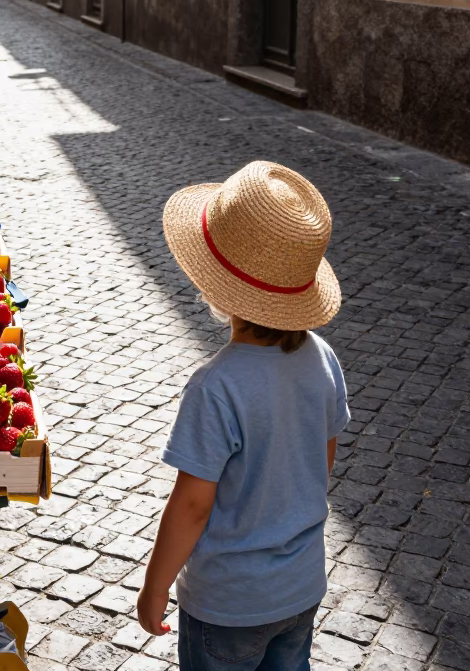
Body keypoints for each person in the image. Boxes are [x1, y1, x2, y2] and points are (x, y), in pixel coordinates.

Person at [138, 161, 349, 670]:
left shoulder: (217, 385)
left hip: (229, 603)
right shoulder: (320, 355)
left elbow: (192, 506)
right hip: (300, 586)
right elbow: (323, 457)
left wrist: (155, 587)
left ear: (215, 284)